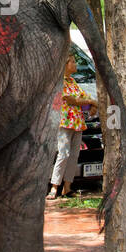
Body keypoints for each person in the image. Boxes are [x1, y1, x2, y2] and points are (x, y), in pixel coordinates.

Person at [49, 52, 96, 199]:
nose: (75, 65)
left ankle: (67, 187)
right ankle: (54, 187)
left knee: (74, 155)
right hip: (65, 122)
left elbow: (84, 97)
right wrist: (93, 103)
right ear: (65, 64)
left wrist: (91, 103)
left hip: (77, 123)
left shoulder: (72, 81)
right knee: (63, 154)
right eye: (73, 62)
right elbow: (72, 100)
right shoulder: (59, 81)